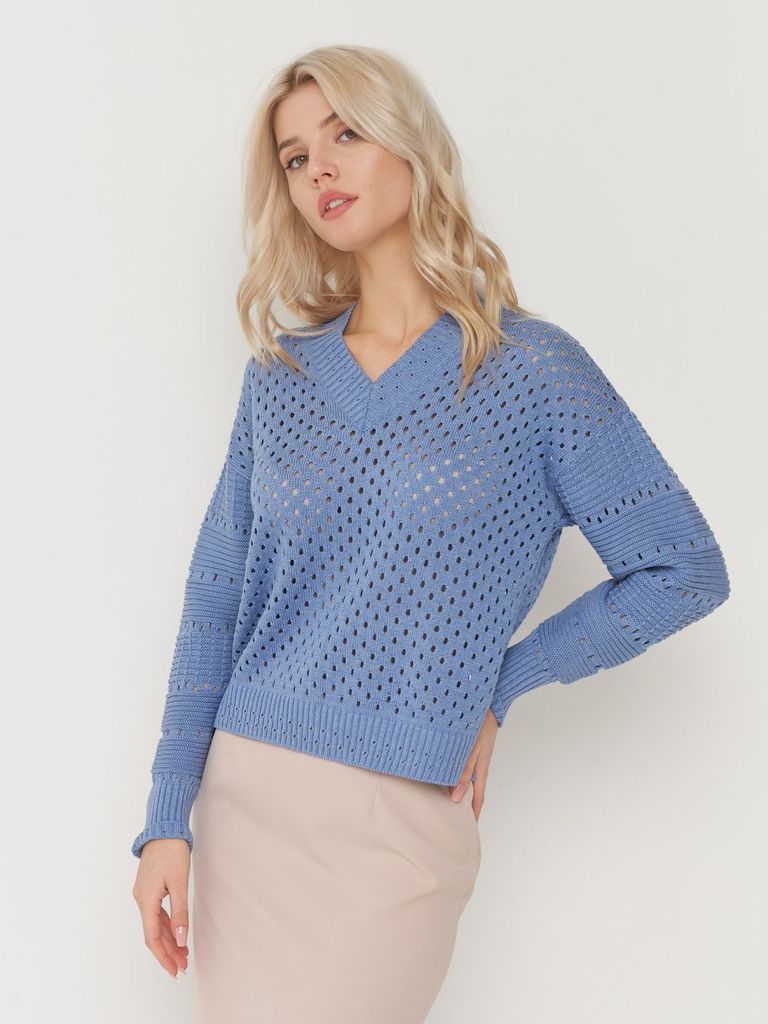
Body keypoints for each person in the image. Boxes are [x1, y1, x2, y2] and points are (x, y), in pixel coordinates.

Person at [131, 44, 731, 1024]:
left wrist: (506, 682)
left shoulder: (531, 372)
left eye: (346, 134)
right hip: (248, 801)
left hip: (401, 817)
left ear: (410, 144)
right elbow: (216, 595)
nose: (319, 169)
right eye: (294, 157)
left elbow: (683, 567)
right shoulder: (280, 377)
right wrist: (166, 818)